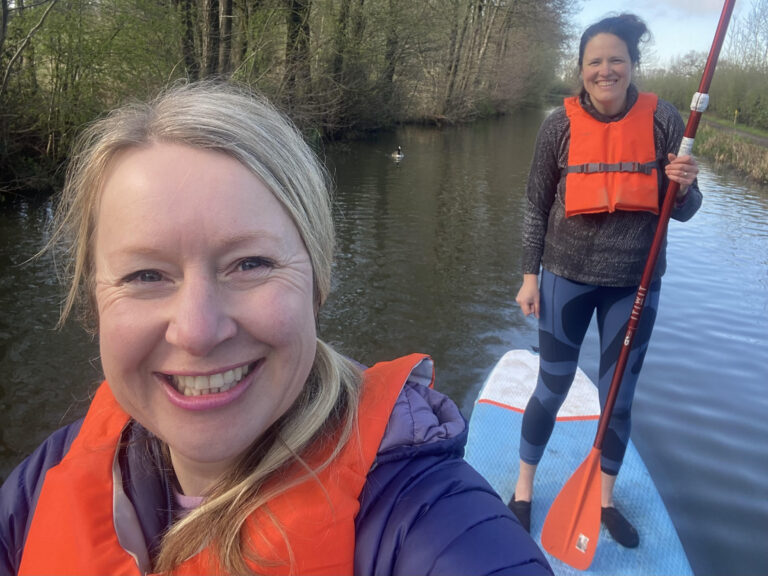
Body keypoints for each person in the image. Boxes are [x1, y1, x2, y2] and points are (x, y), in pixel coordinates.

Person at [0, 81, 552, 575]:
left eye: (251, 264)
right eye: (146, 274)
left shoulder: (422, 524)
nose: (197, 330)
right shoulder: (40, 485)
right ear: (94, 302)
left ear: (318, 280)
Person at [508, 13, 702, 549]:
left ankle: (605, 500)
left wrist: (684, 188)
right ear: (581, 70)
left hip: (633, 284)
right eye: (595, 61)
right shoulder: (559, 125)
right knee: (552, 385)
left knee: (618, 398)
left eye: (616, 59)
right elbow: (534, 204)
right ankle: (523, 492)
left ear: (633, 65)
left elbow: (684, 210)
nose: (605, 70)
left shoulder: (665, 119)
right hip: (564, 278)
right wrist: (529, 276)